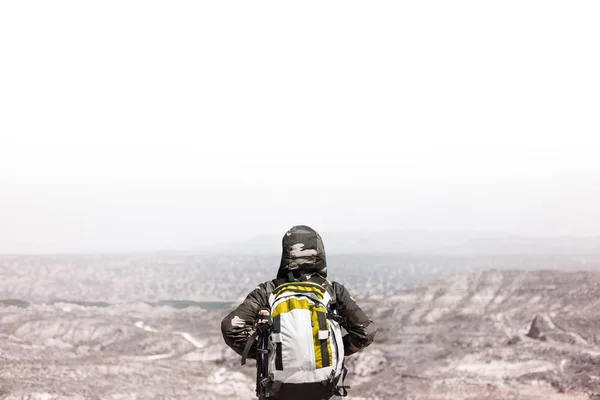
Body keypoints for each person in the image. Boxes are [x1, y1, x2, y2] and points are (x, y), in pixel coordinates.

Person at [221, 225, 377, 399]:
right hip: (326, 391)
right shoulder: (333, 291)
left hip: (276, 392)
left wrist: (266, 353)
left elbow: (231, 328)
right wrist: (335, 348)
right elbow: (366, 332)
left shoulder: (267, 290)